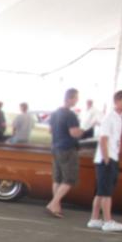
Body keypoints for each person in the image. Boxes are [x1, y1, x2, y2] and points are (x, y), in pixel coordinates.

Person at [87, 89, 122, 232]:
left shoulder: (118, 118)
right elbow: (103, 138)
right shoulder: (109, 117)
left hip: (112, 157)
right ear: (117, 101)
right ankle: (108, 221)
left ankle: (94, 219)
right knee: (106, 192)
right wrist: (107, 158)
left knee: (101, 191)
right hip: (107, 159)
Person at [46, 88, 85, 218]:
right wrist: (83, 130)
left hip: (55, 147)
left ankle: (56, 206)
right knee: (69, 179)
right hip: (68, 148)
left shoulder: (55, 113)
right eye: (76, 98)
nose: (77, 101)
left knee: (57, 178)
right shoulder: (70, 114)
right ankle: (53, 203)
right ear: (70, 98)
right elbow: (74, 133)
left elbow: (50, 130)